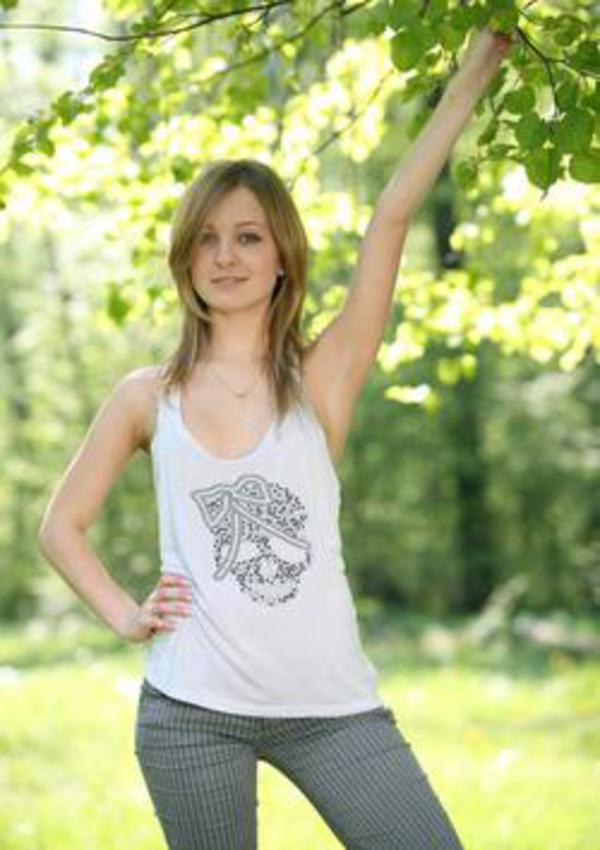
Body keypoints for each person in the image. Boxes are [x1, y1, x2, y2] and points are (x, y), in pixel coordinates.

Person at [38, 26, 516, 850]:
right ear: (186, 260)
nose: (226, 256)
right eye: (207, 238)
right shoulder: (146, 397)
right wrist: (125, 616)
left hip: (333, 710)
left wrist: (475, 70)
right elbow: (59, 528)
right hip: (190, 715)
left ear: (283, 256)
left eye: (248, 236)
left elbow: (391, 220)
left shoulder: (322, 376)